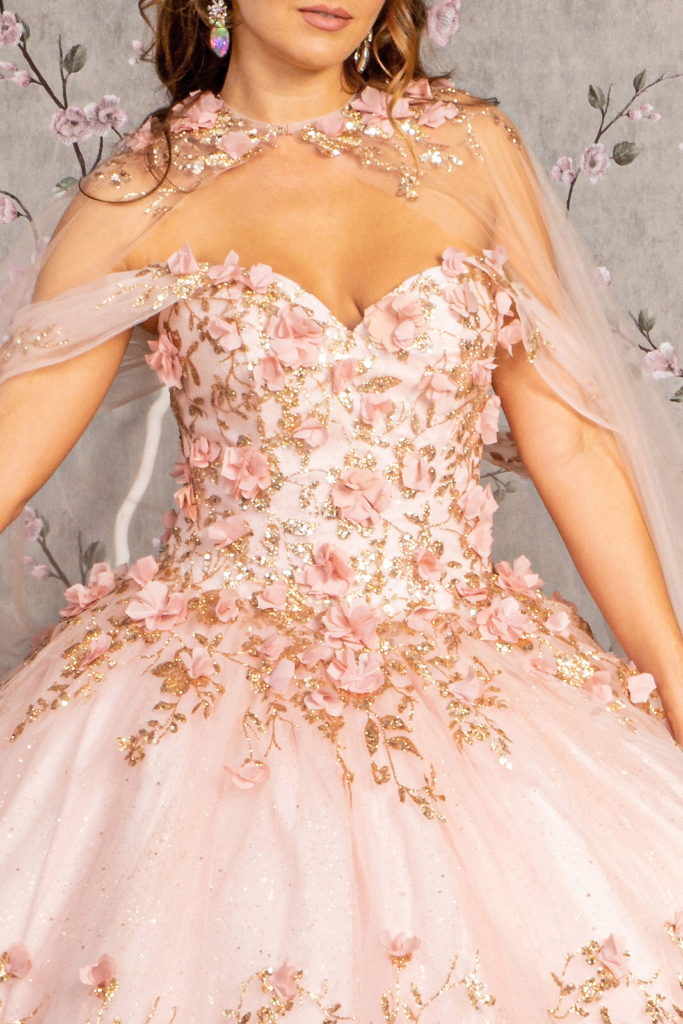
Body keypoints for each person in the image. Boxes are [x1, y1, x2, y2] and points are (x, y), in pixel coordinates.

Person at [0, 1, 681, 1020]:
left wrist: (673, 672)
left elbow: (572, 444)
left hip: (472, 682)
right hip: (208, 705)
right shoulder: (144, 189)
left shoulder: (468, 149)